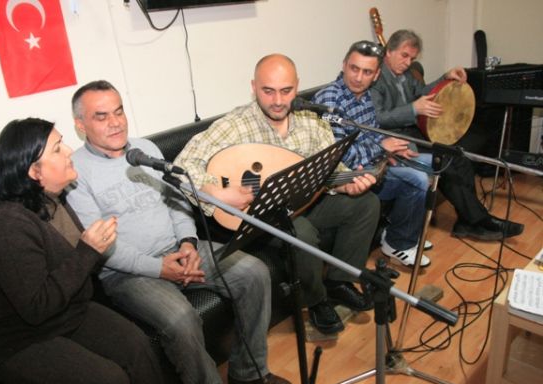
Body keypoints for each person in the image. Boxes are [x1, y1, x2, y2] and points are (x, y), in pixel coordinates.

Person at [66, 80, 295, 384]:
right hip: (128, 274)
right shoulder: (75, 172)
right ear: (80, 125)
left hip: (181, 248)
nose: (115, 122)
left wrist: (188, 242)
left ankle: (249, 371)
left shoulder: (145, 150)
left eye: (118, 111)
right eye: (101, 116)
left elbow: (176, 202)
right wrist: (161, 268)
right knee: (181, 318)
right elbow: (103, 246)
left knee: (254, 273)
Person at [174, 54, 381, 336]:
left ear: (297, 86)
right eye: (268, 91)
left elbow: (332, 169)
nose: (278, 101)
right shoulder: (236, 124)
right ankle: (315, 301)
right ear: (253, 87)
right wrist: (217, 193)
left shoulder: (312, 121)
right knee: (301, 232)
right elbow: (181, 166)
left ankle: (340, 281)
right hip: (263, 216)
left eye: (286, 90)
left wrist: (346, 183)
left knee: (367, 204)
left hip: (306, 201)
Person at [0, 118, 169, 384]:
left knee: (138, 346)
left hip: (66, 313)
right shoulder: (5, 226)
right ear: (34, 171)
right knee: (109, 382)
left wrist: (99, 246)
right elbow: (37, 307)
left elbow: (78, 266)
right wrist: (89, 250)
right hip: (15, 340)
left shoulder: (51, 200)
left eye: (62, 142)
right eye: (57, 149)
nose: (69, 151)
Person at [370, 29, 524, 240]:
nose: (407, 63)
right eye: (404, 56)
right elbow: (378, 118)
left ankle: (468, 221)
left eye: (412, 59)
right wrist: (413, 109)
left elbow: (423, 93)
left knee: (458, 157)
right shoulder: (376, 77)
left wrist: (444, 78)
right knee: (446, 162)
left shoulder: (405, 74)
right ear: (389, 51)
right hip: (394, 139)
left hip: (414, 132)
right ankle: (478, 221)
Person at [312, 40, 433, 268]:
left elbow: (372, 134)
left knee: (431, 163)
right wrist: (382, 148)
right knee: (417, 179)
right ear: (344, 65)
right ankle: (398, 243)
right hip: (351, 175)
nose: (358, 78)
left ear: (376, 75)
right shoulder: (330, 99)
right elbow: (340, 156)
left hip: (376, 162)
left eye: (367, 72)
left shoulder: (366, 95)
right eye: (354, 68)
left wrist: (393, 149)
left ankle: (403, 230)